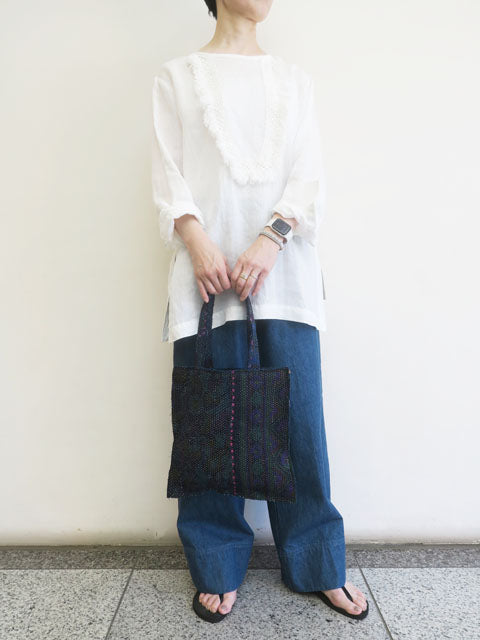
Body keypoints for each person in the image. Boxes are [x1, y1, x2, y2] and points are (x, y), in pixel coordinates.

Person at [151, 0, 369, 624]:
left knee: (300, 425)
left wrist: (270, 238)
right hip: (207, 281)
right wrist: (199, 244)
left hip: (286, 278)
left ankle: (318, 561)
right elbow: (167, 175)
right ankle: (216, 561)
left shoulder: (294, 81)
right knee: (209, 427)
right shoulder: (176, 76)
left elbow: (309, 176)